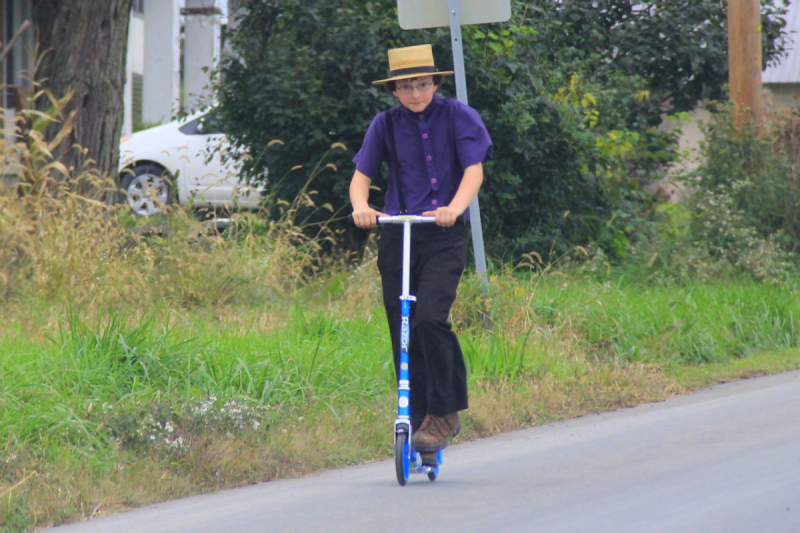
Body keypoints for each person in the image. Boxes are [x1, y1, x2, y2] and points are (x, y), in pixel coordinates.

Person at [349, 44, 493, 455]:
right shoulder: (385, 124)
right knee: (402, 325)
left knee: (430, 319)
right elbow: (362, 177)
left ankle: (445, 413)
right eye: (407, 87)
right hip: (398, 231)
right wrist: (362, 208)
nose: (416, 93)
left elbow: (473, 170)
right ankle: (414, 416)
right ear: (395, 89)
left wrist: (454, 208)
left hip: (442, 234)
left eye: (423, 85)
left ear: (435, 83)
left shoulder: (458, 116)